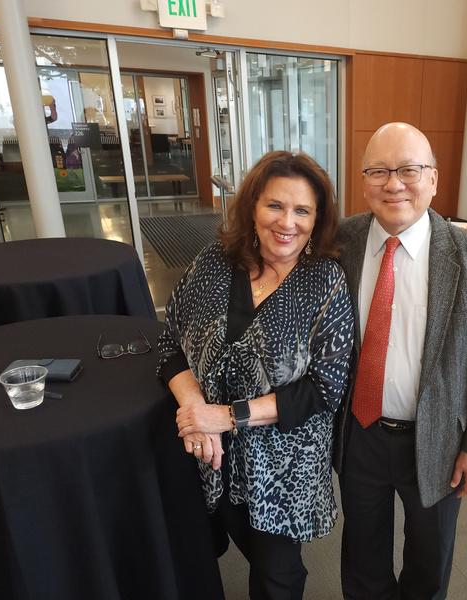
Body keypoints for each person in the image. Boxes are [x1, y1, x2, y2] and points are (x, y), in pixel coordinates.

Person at [157, 150, 354, 600]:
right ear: (252, 207)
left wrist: (225, 417)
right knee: (199, 549)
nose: (287, 222)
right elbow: (169, 342)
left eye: (302, 211)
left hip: (281, 465)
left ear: (317, 220)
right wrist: (195, 409)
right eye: (275, 205)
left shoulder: (325, 282)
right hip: (206, 451)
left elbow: (323, 390)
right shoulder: (215, 261)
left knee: (278, 574)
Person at [334, 122, 467, 599]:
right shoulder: (340, 242)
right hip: (359, 432)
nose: (394, 184)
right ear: (363, 180)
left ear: (433, 178)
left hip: (438, 440)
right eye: (379, 171)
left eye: (409, 170)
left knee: (429, 560)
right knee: (362, 553)